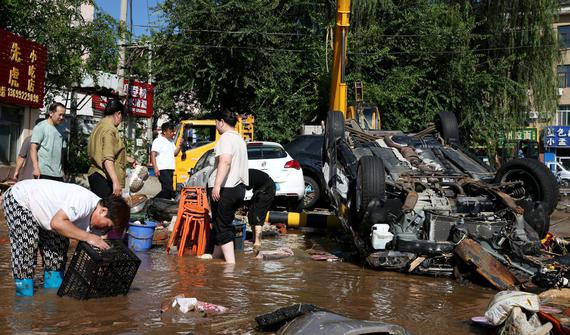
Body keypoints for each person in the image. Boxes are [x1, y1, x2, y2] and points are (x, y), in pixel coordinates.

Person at [1, 179, 130, 296]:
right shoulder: (83, 202)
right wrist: (88, 237)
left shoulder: (97, 222)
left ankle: (52, 299)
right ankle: (23, 297)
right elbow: (57, 223)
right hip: (20, 199)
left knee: (57, 255)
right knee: (28, 246)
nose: (104, 230)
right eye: (107, 226)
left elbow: (90, 254)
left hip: (48, 214)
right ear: (103, 211)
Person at [207, 110, 249, 264]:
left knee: (222, 225)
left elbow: (225, 161)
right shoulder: (240, 140)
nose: (216, 126)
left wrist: (217, 185)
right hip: (238, 188)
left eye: (216, 123)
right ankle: (216, 256)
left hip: (227, 188)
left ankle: (230, 267)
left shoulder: (225, 138)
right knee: (222, 222)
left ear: (221, 122)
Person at [87, 99, 127, 197]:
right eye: (122, 117)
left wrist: (129, 159)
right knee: (108, 211)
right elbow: (108, 158)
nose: (121, 120)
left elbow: (107, 151)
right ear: (118, 114)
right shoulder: (110, 129)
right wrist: (115, 182)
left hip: (95, 175)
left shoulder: (99, 126)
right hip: (104, 178)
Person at [30, 102, 65, 181]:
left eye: (63, 115)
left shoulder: (62, 129)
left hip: (58, 174)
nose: (62, 117)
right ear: (51, 113)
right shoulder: (40, 127)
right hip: (43, 172)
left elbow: (61, 152)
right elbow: (33, 148)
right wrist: (36, 168)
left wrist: (62, 170)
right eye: (60, 114)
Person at [247, 169, 276, 253]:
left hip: (267, 190)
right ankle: (253, 238)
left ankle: (258, 242)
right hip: (259, 190)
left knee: (258, 216)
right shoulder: (244, 174)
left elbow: (248, 187)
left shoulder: (245, 176)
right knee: (251, 213)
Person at [151, 122, 182, 199]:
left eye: (173, 131)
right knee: (168, 190)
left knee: (167, 191)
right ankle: (152, 202)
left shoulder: (171, 142)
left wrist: (180, 145)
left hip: (170, 169)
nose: (173, 133)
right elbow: (153, 154)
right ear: (164, 132)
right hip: (162, 169)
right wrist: (155, 168)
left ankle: (162, 206)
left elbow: (175, 153)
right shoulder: (158, 140)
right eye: (171, 131)